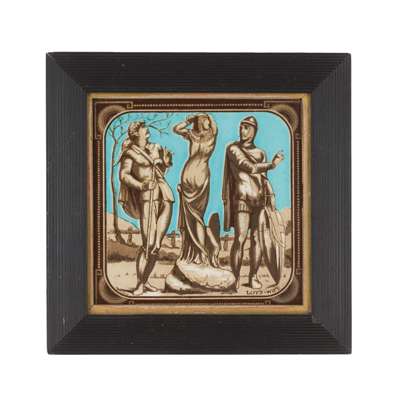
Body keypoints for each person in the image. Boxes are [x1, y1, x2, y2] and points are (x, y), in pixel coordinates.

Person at [222, 116, 284, 290]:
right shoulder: (233, 149)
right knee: (240, 239)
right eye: (241, 127)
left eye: (246, 127)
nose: (242, 131)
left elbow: (263, 179)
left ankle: (253, 276)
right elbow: (247, 166)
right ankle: (235, 278)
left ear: (254, 130)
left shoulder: (261, 153)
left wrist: (271, 196)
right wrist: (272, 164)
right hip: (242, 199)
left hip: (260, 201)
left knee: (258, 240)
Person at [119, 120, 174, 295]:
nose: (146, 129)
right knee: (148, 244)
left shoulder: (155, 147)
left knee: (156, 245)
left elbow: (160, 172)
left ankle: (145, 282)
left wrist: (165, 163)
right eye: (143, 128)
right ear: (136, 133)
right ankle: (140, 284)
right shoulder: (130, 154)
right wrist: (141, 185)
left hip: (165, 197)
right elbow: (124, 175)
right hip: (147, 199)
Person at [173, 113, 220, 267]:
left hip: (199, 177)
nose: (208, 122)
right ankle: (198, 253)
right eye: (205, 119)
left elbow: (215, 127)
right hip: (189, 177)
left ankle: (200, 252)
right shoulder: (193, 135)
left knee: (197, 217)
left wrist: (206, 116)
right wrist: (189, 120)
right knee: (194, 218)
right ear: (199, 122)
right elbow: (176, 129)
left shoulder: (210, 136)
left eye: (208, 120)